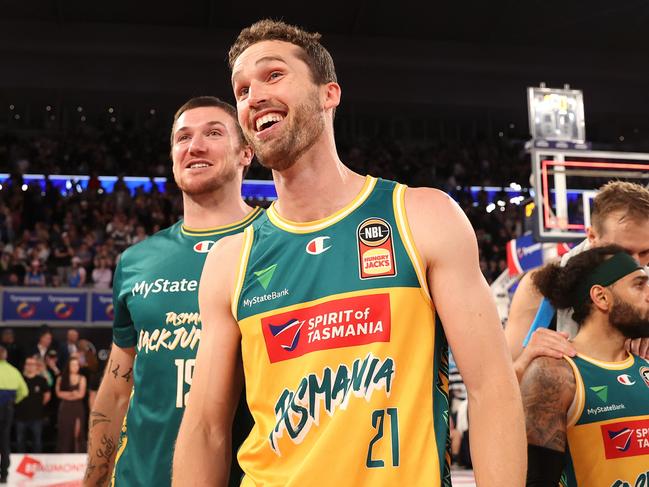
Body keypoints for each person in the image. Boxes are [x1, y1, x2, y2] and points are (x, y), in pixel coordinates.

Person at [173, 20, 525, 486]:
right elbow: (205, 430)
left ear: (328, 94)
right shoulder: (230, 259)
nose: (252, 96)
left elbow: (491, 388)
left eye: (273, 75)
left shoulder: (420, 216)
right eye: (241, 90)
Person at [84, 96, 262, 487]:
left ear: (246, 151)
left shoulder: (278, 243)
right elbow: (116, 390)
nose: (194, 146)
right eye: (183, 137)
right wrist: (93, 481)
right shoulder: (137, 260)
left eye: (213, 133)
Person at [520, 245, 649, 486]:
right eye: (639, 285)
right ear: (601, 297)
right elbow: (537, 480)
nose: (648, 293)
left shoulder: (644, 368)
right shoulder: (555, 373)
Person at [506, 181, 649, 380]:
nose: (635, 265)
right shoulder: (539, 288)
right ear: (592, 236)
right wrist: (527, 359)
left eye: (645, 252)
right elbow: (501, 384)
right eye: (623, 252)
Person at [0, 345, 28, 484]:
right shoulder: (14, 371)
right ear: (5, 356)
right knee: (4, 440)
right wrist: (13, 401)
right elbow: (24, 391)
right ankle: (4, 475)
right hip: (8, 408)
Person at [14, 356, 51, 453]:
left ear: (36, 366)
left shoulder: (41, 380)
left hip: (36, 416)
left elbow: (47, 395)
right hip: (20, 416)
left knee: (37, 442)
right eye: (28, 364)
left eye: (32, 364)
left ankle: (37, 463)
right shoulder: (19, 379)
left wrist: (38, 405)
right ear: (25, 366)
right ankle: (20, 463)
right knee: (20, 441)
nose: (30, 366)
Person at [56, 355, 87, 453]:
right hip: (65, 407)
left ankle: (78, 453)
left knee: (77, 431)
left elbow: (81, 394)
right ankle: (64, 453)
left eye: (76, 365)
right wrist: (72, 394)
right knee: (65, 430)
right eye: (72, 365)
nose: (74, 367)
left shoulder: (82, 378)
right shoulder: (61, 378)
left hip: (77, 407)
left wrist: (69, 395)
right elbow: (59, 393)